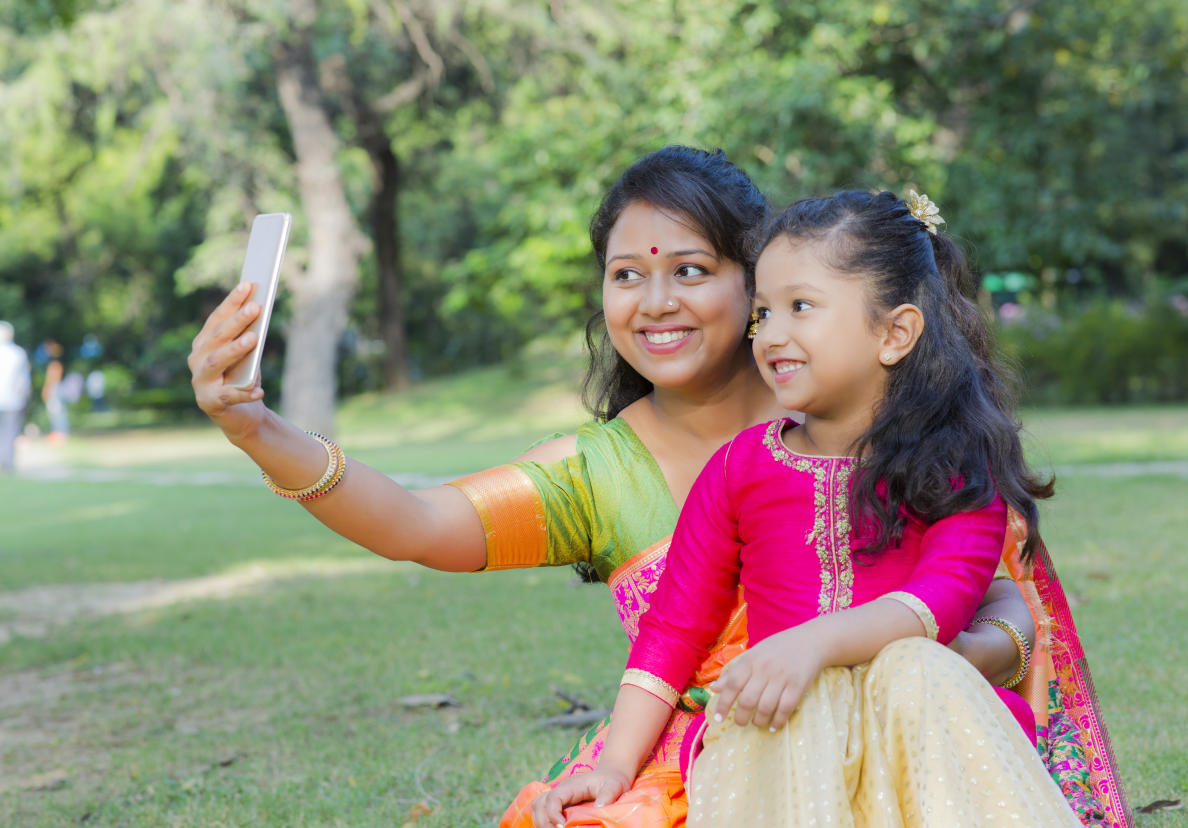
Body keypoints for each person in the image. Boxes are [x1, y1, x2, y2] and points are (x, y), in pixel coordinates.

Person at [188, 148, 1121, 826]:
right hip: (713, 755)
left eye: (691, 271)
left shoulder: (893, 426)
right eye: (627, 275)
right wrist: (253, 426)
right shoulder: (602, 470)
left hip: (918, 725)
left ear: (761, 282)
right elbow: (417, 524)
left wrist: (946, 660)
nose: (656, 302)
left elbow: (993, 598)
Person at [532, 190, 1088, 828]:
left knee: (914, 664)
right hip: (786, 750)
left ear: (895, 332)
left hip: (925, 731)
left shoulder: (957, 462)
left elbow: (943, 604)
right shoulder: (741, 467)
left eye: (801, 307)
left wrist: (810, 646)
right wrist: (612, 766)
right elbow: (672, 631)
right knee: (794, 700)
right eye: (763, 313)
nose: (772, 335)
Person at [0, 321, 31, 473]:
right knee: (10, 431)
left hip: (10, 399)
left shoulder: (18, 353)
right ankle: (7, 461)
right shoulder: (18, 353)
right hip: (12, 399)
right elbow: (23, 380)